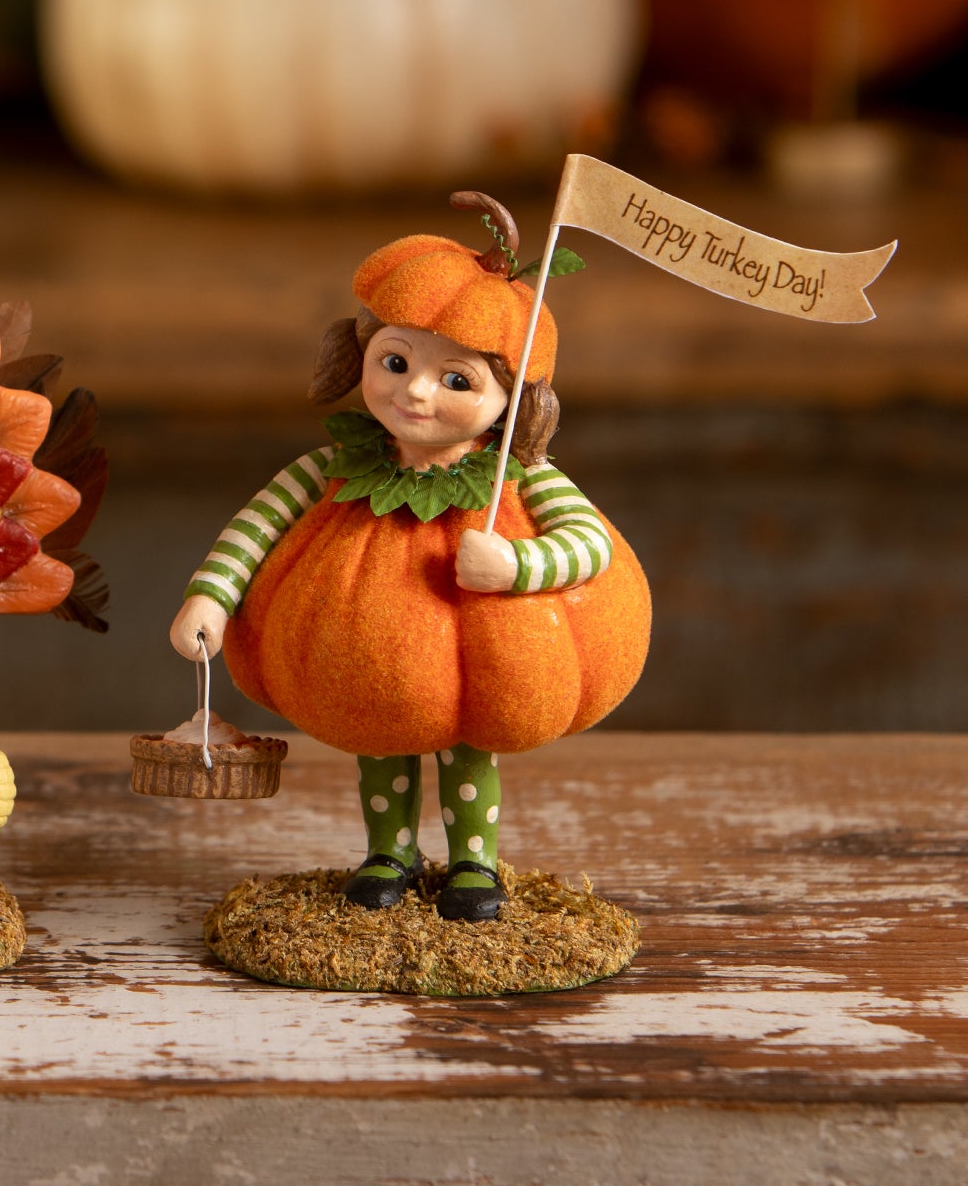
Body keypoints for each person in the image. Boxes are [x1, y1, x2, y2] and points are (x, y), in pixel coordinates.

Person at [170, 194, 651, 922]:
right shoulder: (335, 467)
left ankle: (472, 865)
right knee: (381, 745)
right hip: (361, 674)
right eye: (395, 361)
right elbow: (258, 525)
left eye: (458, 380)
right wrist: (210, 596)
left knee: (466, 752)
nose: (417, 390)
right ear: (360, 352)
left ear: (515, 404)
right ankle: (387, 853)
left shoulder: (517, 481)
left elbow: (590, 550)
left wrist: (516, 569)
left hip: (487, 669)